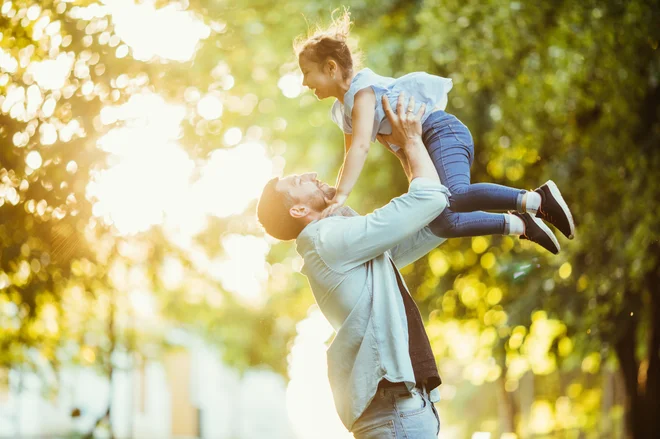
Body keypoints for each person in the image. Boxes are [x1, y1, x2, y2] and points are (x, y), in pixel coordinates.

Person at [293, 10, 575, 254]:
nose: (304, 82)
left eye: (306, 72)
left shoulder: (362, 90)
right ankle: (520, 225)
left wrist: (342, 195)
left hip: (441, 133)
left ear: (330, 68)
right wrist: (334, 191)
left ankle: (538, 200)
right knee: (441, 222)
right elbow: (350, 155)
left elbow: (361, 149)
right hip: (425, 149)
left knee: (457, 195)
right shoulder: (344, 112)